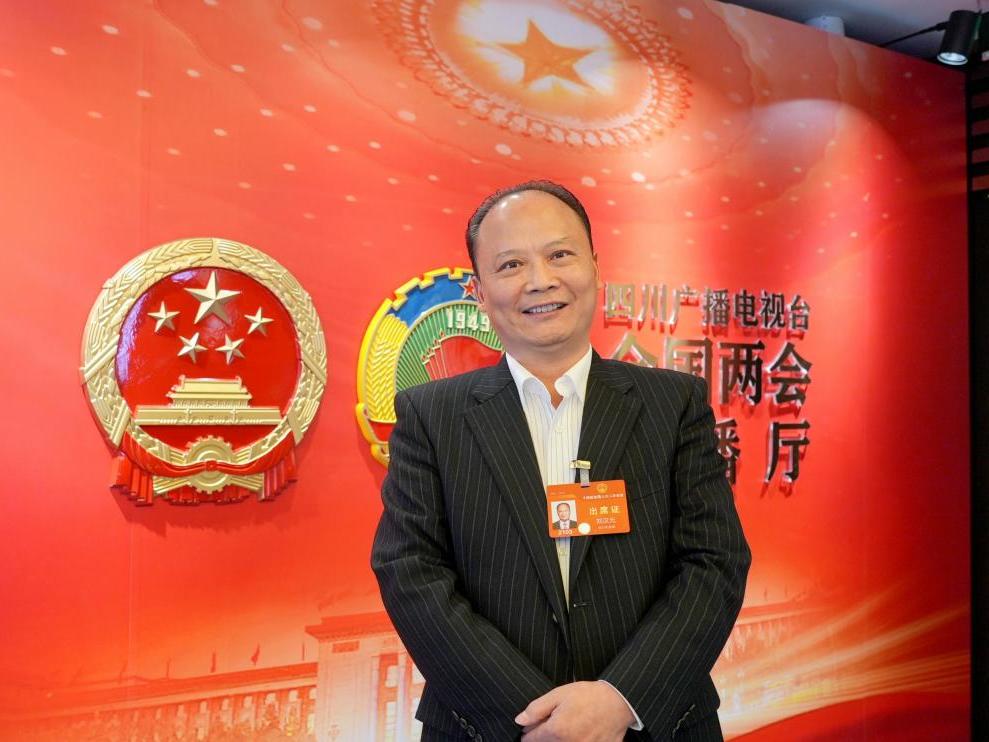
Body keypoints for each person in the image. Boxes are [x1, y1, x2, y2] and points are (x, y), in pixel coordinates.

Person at [372, 180, 750, 741]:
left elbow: (713, 561)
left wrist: (620, 699)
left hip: (653, 724)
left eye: (559, 255)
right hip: (492, 728)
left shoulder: (673, 404)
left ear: (595, 267)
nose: (540, 280)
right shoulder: (431, 415)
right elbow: (410, 570)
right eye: (510, 264)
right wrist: (538, 721)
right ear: (479, 291)